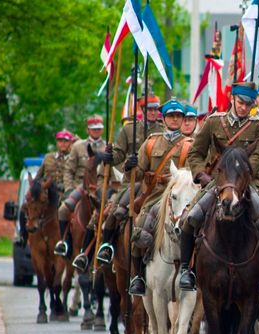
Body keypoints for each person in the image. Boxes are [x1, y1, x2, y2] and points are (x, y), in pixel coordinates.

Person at [178, 82, 259, 294]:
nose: (243, 107)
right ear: (232, 99)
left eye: (248, 104)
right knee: (189, 219)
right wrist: (202, 175)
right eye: (240, 102)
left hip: (247, 183)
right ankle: (186, 271)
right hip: (216, 182)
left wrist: (240, 176)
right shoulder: (214, 123)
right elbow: (195, 153)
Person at [128, 99, 193, 296]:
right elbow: (138, 174)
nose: (175, 120)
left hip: (180, 197)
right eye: (171, 116)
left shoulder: (190, 145)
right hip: (154, 197)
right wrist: (130, 167)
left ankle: (191, 272)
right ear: (164, 118)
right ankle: (138, 276)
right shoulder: (151, 143)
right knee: (139, 228)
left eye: (179, 116)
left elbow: (193, 172)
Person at [95, 95, 164, 264]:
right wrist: (110, 157)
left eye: (156, 109)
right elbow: (118, 154)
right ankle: (106, 246)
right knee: (116, 211)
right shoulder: (129, 130)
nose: (154, 113)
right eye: (150, 109)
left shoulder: (163, 131)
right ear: (143, 110)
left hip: (156, 182)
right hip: (133, 180)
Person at [54, 115, 106, 258]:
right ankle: (65, 243)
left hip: (100, 187)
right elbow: (69, 170)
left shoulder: (107, 147)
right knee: (63, 210)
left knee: (110, 212)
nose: (96, 131)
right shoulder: (78, 146)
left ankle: (107, 247)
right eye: (93, 129)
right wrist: (69, 188)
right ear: (88, 129)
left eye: (99, 129)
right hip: (81, 186)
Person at [36, 129, 76, 199]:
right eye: (60, 141)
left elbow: (78, 179)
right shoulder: (48, 157)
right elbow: (38, 177)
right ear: (56, 143)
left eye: (66, 141)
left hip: (66, 195)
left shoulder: (74, 159)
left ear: (70, 143)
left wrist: (66, 186)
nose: (63, 143)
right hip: (47, 195)